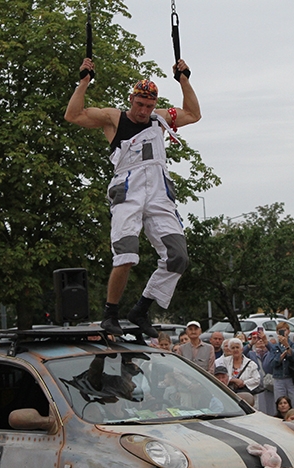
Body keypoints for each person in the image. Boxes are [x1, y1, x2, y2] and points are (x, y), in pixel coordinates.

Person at [65, 58, 201, 338]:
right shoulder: (114, 118)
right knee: (126, 254)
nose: (144, 111)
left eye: (149, 106)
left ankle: (141, 308)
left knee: (178, 258)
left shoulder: (159, 119)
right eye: (140, 105)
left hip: (159, 192)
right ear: (131, 99)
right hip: (128, 189)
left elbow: (193, 113)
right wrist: (84, 82)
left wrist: (184, 78)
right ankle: (110, 313)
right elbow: (73, 115)